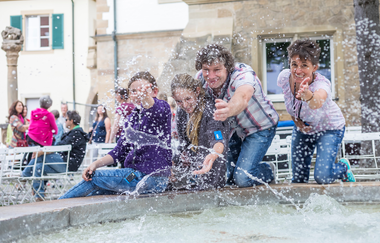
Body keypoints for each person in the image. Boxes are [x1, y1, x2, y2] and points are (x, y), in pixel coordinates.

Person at [59, 71, 171, 199]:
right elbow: (119, 152)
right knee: (96, 192)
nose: (139, 94)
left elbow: (154, 108)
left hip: (150, 177)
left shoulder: (163, 108)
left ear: (154, 91)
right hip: (135, 177)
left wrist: (146, 97)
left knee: (94, 177)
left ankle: (55, 208)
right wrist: (95, 164)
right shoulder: (132, 119)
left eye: (143, 90)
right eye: (134, 91)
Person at [195, 44, 279, 187]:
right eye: (206, 70)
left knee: (242, 179)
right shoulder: (200, 80)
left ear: (227, 67)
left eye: (217, 70)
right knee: (229, 178)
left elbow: (242, 97)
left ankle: (268, 170)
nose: (211, 76)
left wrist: (229, 109)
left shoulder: (242, 74)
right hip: (233, 131)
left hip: (259, 128)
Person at [277, 39, 355, 184]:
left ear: (314, 67)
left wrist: (308, 95)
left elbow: (317, 101)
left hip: (329, 129)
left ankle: (343, 168)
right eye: (294, 64)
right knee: (299, 179)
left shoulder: (322, 84)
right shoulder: (284, 77)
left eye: (304, 65)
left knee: (322, 177)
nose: (298, 70)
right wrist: (296, 121)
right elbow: (290, 103)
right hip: (304, 130)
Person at [170, 74, 229, 190]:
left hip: (212, 163)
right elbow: (183, 145)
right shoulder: (181, 112)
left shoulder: (209, 109)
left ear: (197, 91)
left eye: (188, 99)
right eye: (179, 101)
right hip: (194, 166)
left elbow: (218, 138)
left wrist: (213, 155)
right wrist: (177, 159)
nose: (185, 105)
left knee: (235, 180)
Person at [23, 111, 89, 201]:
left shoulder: (76, 134)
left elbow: (59, 147)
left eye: (66, 119)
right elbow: (60, 145)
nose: (65, 121)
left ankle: (23, 176)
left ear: (72, 121)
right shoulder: (73, 133)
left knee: (41, 156)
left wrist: (42, 152)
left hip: (68, 165)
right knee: (38, 167)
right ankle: (39, 196)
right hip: (64, 162)